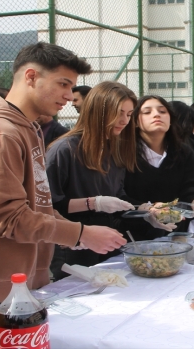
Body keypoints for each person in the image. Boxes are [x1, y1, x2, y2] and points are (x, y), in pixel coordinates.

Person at [0, 42, 126, 300]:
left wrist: (73, 231)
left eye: (71, 87)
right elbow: (5, 216)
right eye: (63, 84)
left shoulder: (27, 127)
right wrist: (81, 233)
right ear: (31, 77)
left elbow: (36, 205)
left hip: (18, 278)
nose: (70, 96)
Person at [46, 81, 144, 280]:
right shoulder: (64, 150)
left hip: (108, 243)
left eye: (129, 113)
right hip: (74, 246)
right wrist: (94, 203)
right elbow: (49, 206)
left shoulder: (114, 148)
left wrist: (145, 211)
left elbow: (119, 196)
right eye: (118, 112)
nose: (124, 120)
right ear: (97, 110)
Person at [124, 95, 194, 237]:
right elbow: (118, 194)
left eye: (163, 111)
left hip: (175, 232)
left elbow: (191, 185)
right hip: (134, 235)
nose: (156, 114)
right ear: (135, 121)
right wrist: (148, 208)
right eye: (147, 112)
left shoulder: (183, 151)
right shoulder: (123, 153)